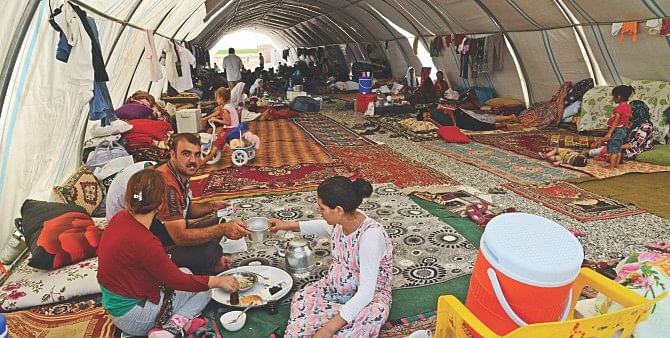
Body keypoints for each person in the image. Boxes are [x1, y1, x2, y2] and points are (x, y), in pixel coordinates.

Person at [98, 169, 240, 337]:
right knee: (205, 289)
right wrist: (218, 281)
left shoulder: (120, 218)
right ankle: (172, 328)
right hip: (134, 318)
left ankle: (171, 324)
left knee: (187, 272)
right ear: (160, 204)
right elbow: (177, 280)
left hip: (116, 306)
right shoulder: (145, 241)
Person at [269, 177, 393, 338]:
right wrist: (287, 225)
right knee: (303, 298)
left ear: (339, 210)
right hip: (334, 289)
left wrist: (328, 329)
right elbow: (322, 226)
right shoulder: (344, 219)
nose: (318, 211)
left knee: (369, 318)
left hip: (369, 297)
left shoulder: (370, 236)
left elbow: (366, 292)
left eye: (322, 208)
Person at [152, 133, 251, 274]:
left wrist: (211, 207)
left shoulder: (177, 173)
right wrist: (223, 230)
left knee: (217, 222)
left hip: (164, 231)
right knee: (212, 251)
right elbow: (180, 237)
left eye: (197, 154)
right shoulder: (168, 186)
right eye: (186, 154)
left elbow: (186, 209)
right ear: (173, 155)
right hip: (153, 247)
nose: (193, 160)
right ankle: (208, 267)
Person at [598, 85, 634, 169]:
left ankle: (611, 166)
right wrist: (625, 128)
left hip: (616, 130)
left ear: (618, 97)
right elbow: (627, 119)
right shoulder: (628, 107)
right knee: (618, 149)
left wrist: (609, 133)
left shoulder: (618, 109)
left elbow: (615, 121)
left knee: (613, 150)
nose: (613, 99)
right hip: (622, 130)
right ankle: (616, 165)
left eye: (613, 97)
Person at [417, 105, 520, 131]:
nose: (427, 116)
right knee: (480, 126)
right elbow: (442, 127)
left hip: (460, 115)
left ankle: (510, 117)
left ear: (426, 111)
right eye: (425, 118)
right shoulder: (432, 119)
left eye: (426, 114)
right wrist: (430, 120)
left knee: (483, 119)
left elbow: (450, 111)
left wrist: (454, 124)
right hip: (461, 123)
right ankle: (503, 124)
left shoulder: (435, 111)